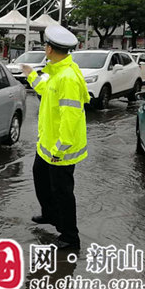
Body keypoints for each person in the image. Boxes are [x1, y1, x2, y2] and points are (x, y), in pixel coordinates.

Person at [21, 25, 90, 251]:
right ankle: (50, 214)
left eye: (45, 45)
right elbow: (44, 89)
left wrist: (60, 150)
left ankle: (70, 237)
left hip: (60, 149)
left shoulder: (67, 77)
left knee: (63, 191)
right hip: (47, 145)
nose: (44, 48)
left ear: (50, 49)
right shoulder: (56, 71)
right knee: (40, 176)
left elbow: (70, 118)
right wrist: (30, 74)